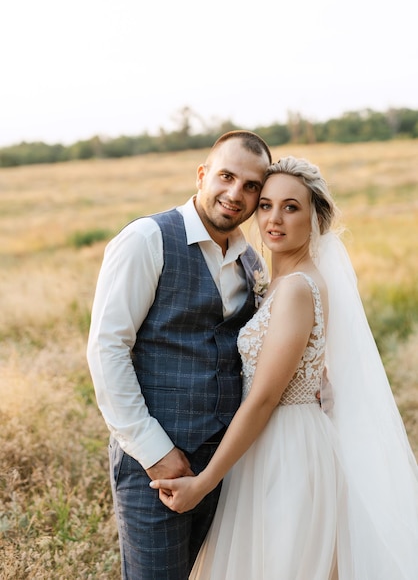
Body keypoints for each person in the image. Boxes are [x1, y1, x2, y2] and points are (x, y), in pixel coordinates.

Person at [151, 157, 418, 579]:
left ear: (316, 216)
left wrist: (203, 485)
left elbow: (264, 397)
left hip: (287, 451)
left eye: (291, 207)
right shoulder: (271, 279)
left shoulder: (296, 288)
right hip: (263, 446)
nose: (274, 219)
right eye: (266, 205)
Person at [86, 130, 273, 579]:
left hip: (226, 466)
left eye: (251, 186)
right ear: (202, 174)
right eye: (226, 177)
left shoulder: (252, 262)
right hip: (157, 467)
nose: (235, 194)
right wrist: (154, 451)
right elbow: (107, 348)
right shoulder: (147, 239)